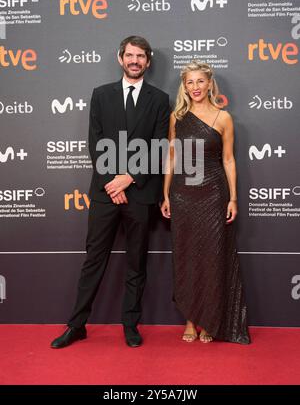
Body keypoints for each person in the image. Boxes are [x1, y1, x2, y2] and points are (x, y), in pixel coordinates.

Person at [51, 36, 169, 349]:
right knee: (94, 260)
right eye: (129, 55)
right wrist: (111, 182)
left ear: (148, 60)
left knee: (136, 262)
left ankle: (130, 325)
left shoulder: (159, 99)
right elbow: (96, 141)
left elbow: (159, 145)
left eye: (140, 56)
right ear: (120, 59)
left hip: (140, 192)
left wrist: (128, 178)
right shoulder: (101, 95)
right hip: (106, 193)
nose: (134, 61)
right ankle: (76, 325)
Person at [161, 61, 250, 344]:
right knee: (186, 257)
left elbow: (228, 159)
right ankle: (190, 320)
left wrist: (233, 197)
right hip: (183, 195)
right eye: (190, 82)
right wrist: (165, 194)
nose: (195, 87)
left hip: (213, 195)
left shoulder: (224, 118)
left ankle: (210, 319)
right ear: (184, 86)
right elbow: (172, 157)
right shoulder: (177, 116)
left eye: (200, 81)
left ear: (210, 84)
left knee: (212, 258)